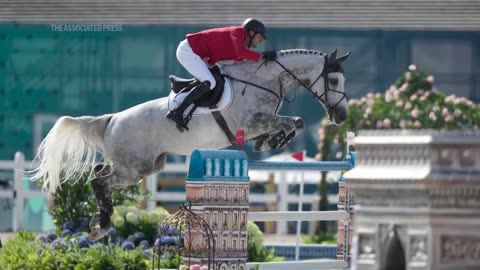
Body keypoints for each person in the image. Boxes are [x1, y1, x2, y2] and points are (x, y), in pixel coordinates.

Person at [166, 18, 278, 132]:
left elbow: (241, 59)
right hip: (188, 51)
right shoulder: (238, 32)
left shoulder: (242, 42)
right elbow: (241, 53)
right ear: (252, 33)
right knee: (210, 82)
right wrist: (262, 56)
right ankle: (177, 112)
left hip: (202, 56)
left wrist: (263, 57)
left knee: (219, 79)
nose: (260, 41)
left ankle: (184, 87)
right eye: (260, 37)